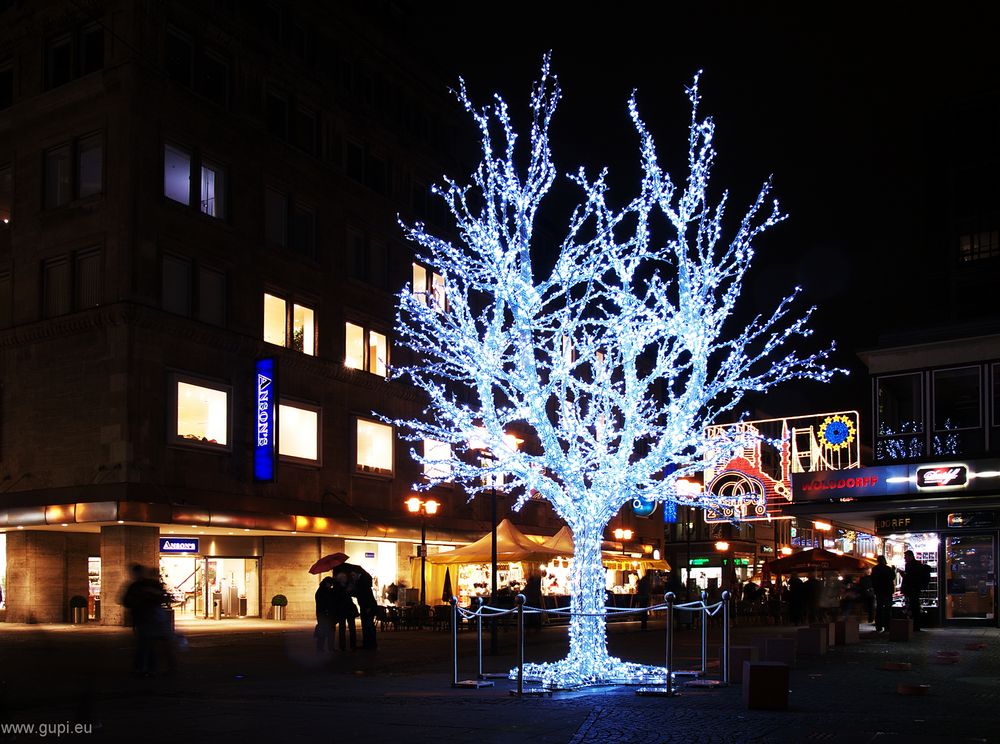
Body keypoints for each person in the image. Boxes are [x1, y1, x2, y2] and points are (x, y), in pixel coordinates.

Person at [121, 564, 173, 677]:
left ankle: (145, 668)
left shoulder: (138, 586)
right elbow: (165, 598)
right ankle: (150, 668)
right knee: (148, 644)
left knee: (145, 644)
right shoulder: (149, 585)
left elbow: (126, 601)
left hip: (146, 619)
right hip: (149, 619)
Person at [901, 550, 930, 631]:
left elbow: (911, 578)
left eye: (905, 557)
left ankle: (914, 625)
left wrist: (904, 575)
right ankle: (915, 625)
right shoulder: (917, 564)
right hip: (915, 588)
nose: (905, 559)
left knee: (913, 606)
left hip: (912, 589)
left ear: (910, 556)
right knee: (914, 606)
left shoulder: (911, 565)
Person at [331, 573, 358, 650]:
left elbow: (354, 594)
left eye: (345, 577)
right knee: (342, 628)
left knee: (352, 628)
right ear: (340, 579)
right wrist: (346, 591)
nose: (345, 578)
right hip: (342, 610)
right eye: (344, 577)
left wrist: (352, 588)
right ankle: (342, 646)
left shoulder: (348, 585)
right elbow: (338, 598)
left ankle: (353, 645)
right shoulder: (337, 587)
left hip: (349, 609)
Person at [870, 556, 896, 633]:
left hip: (879, 591)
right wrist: (893, 570)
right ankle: (887, 626)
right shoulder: (888, 569)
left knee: (879, 608)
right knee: (887, 609)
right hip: (887, 591)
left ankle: (879, 626)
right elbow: (893, 577)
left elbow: (873, 579)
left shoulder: (875, 569)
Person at [314, 576, 335, 653]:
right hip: (324, 614)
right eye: (330, 584)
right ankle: (322, 648)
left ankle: (321, 648)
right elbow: (326, 603)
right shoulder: (324, 591)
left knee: (323, 631)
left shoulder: (321, 590)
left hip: (322, 613)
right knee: (324, 631)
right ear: (327, 583)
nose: (331, 586)